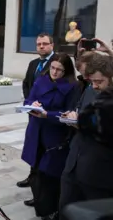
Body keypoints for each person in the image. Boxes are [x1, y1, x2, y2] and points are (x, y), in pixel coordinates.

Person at [21, 53, 80, 220]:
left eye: (59, 70)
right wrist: (32, 105)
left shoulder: (72, 86)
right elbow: (28, 100)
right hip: (35, 131)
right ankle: (39, 201)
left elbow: (69, 114)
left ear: (66, 71)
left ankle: (51, 210)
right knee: (35, 170)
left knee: (50, 175)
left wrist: (48, 115)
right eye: (53, 68)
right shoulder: (41, 80)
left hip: (54, 135)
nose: (54, 72)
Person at [59, 55, 113, 219]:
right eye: (92, 82)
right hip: (73, 166)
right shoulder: (91, 88)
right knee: (65, 211)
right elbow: (80, 107)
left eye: (99, 81)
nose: (94, 86)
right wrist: (74, 115)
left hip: (100, 177)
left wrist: (85, 125)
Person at [19, 33, 55, 206]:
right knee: (33, 145)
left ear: (52, 45)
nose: (41, 46)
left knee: (43, 148)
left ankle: (40, 188)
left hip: (48, 115)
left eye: (45, 44)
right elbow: (26, 84)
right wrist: (29, 102)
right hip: (33, 112)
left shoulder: (57, 64)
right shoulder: (33, 63)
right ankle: (32, 176)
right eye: (38, 44)